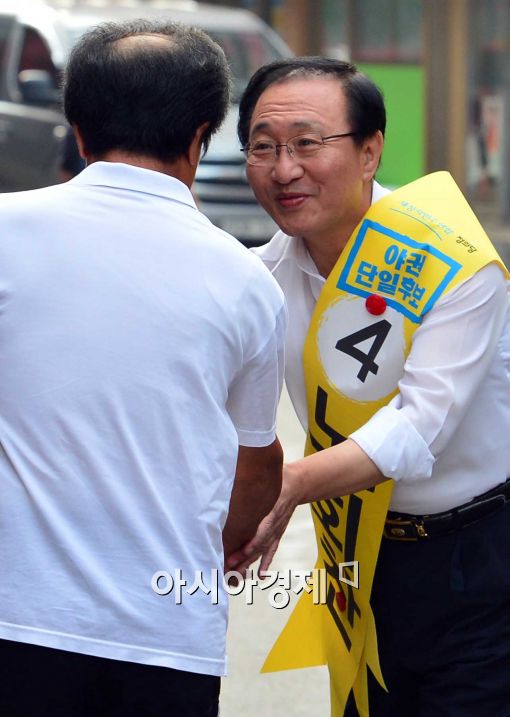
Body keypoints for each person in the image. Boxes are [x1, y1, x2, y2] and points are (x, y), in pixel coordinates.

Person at [0, 20, 286, 717]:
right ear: (200, 137)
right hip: (167, 638)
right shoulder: (246, 281)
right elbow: (256, 467)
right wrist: (220, 547)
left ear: (79, 132)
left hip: (15, 622)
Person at [227, 57, 510, 716]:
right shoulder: (259, 278)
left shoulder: (451, 260)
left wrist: (289, 484)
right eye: (263, 147)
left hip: (479, 562)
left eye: (306, 143)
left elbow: (418, 428)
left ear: (370, 151)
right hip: (359, 561)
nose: (284, 169)